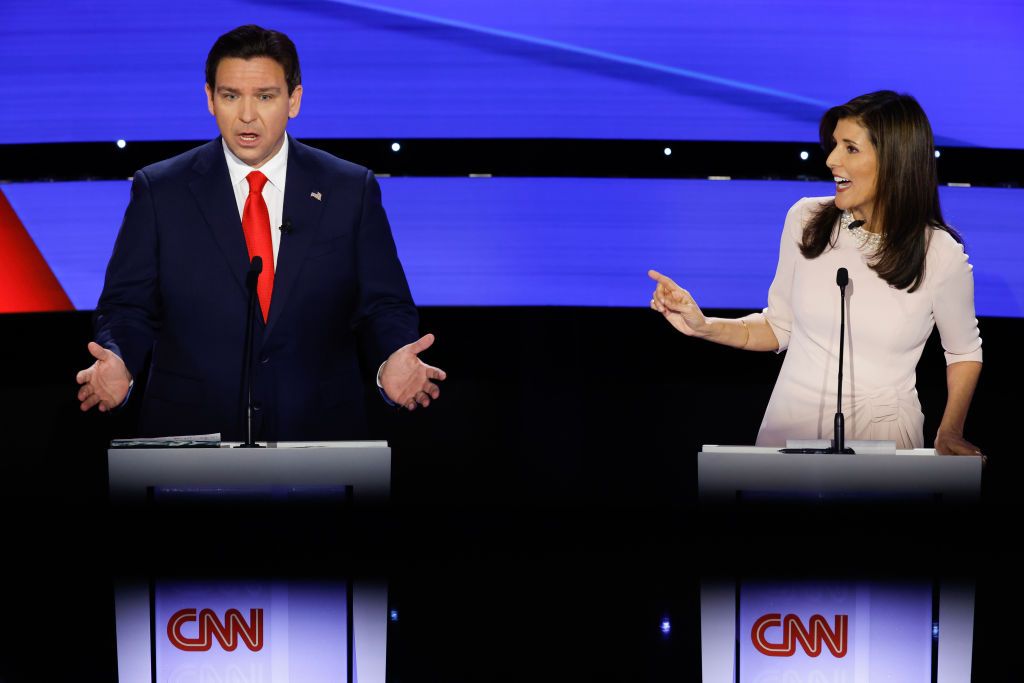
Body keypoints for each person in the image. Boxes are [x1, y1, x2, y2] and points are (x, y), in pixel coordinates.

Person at [76, 25, 445, 440]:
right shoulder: (161, 190)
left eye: (265, 96)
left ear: (294, 101)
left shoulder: (349, 189)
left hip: (319, 433)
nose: (247, 115)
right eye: (231, 96)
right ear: (210, 100)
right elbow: (128, 306)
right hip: (192, 435)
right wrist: (120, 358)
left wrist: (390, 358)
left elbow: (383, 304)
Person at [649, 91, 983, 455]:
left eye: (850, 148)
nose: (831, 160)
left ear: (894, 160)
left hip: (883, 440)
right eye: (834, 145)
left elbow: (963, 353)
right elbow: (780, 327)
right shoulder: (805, 220)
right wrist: (705, 326)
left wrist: (950, 430)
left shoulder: (939, 254)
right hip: (790, 428)